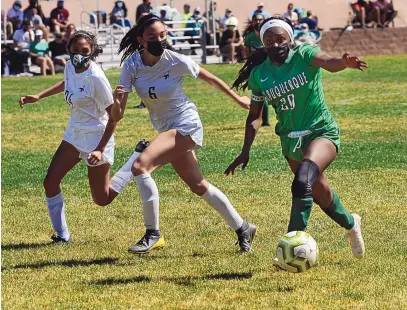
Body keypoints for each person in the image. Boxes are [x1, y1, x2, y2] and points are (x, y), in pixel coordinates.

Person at [226, 15, 366, 265]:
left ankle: (289, 249)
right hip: (290, 141)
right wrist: (245, 150)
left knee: (302, 181)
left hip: (320, 131)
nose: (275, 44)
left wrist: (343, 63)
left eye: (280, 39)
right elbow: (254, 117)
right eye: (269, 41)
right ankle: (351, 223)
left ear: (290, 38)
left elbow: (328, 62)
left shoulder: (303, 54)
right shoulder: (260, 76)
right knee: (320, 194)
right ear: (263, 44)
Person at [113, 14, 256, 254]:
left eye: (162, 35)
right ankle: (243, 227)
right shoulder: (131, 65)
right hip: (166, 128)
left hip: (186, 124)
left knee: (140, 167)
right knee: (198, 185)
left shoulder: (174, 60)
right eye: (152, 37)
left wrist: (238, 98)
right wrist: (117, 102)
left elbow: (209, 78)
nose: (159, 40)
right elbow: (118, 114)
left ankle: (152, 233)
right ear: (140, 39)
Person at [19, 30, 148, 243]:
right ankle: (63, 236)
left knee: (102, 199)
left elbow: (114, 118)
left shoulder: (96, 78)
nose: (79, 54)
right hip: (74, 133)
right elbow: (66, 83)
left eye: (84, 51)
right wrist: (39, 96)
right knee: (50, 182)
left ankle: (135, 160)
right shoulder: (70, 66)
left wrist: (99, 149)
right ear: (69, 48)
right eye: (75, 49)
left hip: (96, 137)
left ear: (93, 52)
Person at [242, 13, 269, 127]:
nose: (258, 22)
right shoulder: (249, 37)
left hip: (269, 67)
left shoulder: (268, 34)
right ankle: (264, 120)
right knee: (260, 93)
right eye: (256, 20)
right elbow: (247, 54)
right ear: (252, 22)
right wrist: (248, 68)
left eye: (260, 20)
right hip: (256, 69)